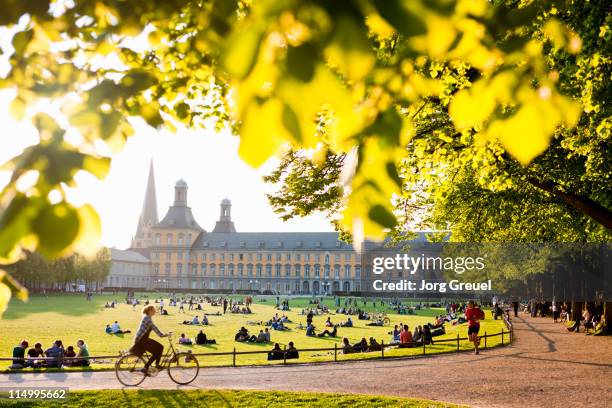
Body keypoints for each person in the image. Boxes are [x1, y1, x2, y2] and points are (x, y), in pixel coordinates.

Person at [130, 305, 170, 375]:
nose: (155, 311)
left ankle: (156, 365)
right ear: (150, 311)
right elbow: (154, 327)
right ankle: (146, 367)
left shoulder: (147, 317)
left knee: (160, 347)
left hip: (143, 339)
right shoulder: (147, 318)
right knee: (158, 350)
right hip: (142, 340)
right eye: (153, 310)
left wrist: (163, 334)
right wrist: (163, 335)